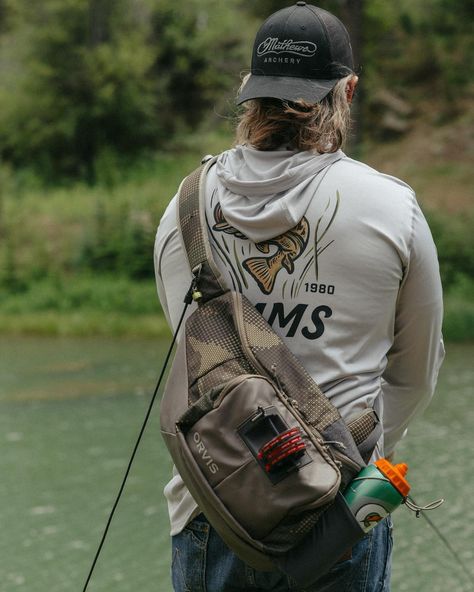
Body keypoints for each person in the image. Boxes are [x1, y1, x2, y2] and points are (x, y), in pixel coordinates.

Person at [154, 3, 445, 591]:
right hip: (338, 511)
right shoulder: (391, 207)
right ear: (349, 91)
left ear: (250, 95)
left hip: (213, 508)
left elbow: (195, 356)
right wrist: (350, 463)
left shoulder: (181, 209)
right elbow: (416, 374)